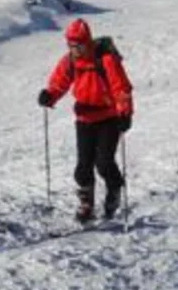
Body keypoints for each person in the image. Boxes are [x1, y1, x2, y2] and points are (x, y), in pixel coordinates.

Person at [37, 19, 135, 223]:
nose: (74, 49)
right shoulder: (71, 61)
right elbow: (59, 82)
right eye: (71, 45)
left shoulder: (105, 59)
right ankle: (86, 204)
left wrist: (125, 112)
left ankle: (114, 188)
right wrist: (49, 95)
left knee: (104, 162)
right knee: (83, 166)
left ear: (87, 42)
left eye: (78, 45)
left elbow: (121, 88)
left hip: (108, 117)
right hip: (84, 117)